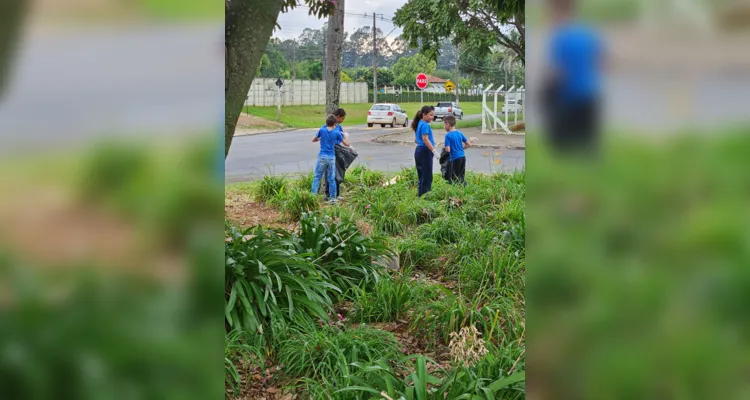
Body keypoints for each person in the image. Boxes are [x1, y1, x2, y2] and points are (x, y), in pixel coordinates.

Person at [544, 0, 605, 154]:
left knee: (564, 151)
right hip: (590, 96)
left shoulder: (560, 37)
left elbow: (557, 73)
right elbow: (605, 62)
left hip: (568, 101)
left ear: (558, 11)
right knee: (589, 148)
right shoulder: (589, 33)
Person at [312, 114, 349, 202]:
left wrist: (319, 139)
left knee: (317, 176)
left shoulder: (321, 130)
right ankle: (333, 198)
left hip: (322, 156)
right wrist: (346, 137)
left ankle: (313, 196)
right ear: (334, 124)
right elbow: (346, 144)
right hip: (331, 157)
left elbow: (313, 139)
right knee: (331, 178)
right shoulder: (336, 133)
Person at [322, 108, 357, 199]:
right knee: (328, 172)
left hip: (337, 151)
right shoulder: (326, 126)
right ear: (337, 117)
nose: (342, 120)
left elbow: (342, 139)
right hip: (328, 151)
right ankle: (328, 194)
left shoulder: (338, 127)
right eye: (342, 118)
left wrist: (345, 138)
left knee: (337, 172)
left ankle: (336, 193)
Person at [411, 105, 438, 197]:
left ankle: (420, 196)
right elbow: (425, 139)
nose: (432, 117)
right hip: (425, 151)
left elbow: (416, 139)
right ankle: (426, 197)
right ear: (424, 115)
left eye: (433, 115)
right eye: (430, 115)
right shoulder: (425, 125)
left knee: (421, 175)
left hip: (419, 150)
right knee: (427, 176)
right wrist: (434, 150)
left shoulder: (419, 123)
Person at [442, 115, 471, 184]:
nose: (444, 127)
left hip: (454, 158)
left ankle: (455, 192)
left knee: (454, 177)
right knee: (461, 176)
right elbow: (469, 144)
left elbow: (448, 150)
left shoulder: (448, 135)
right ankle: (463, 189)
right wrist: (460, 148)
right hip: (462, 157)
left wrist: (445, 149)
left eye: (444, 125)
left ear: (448, 124)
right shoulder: (459, 133)